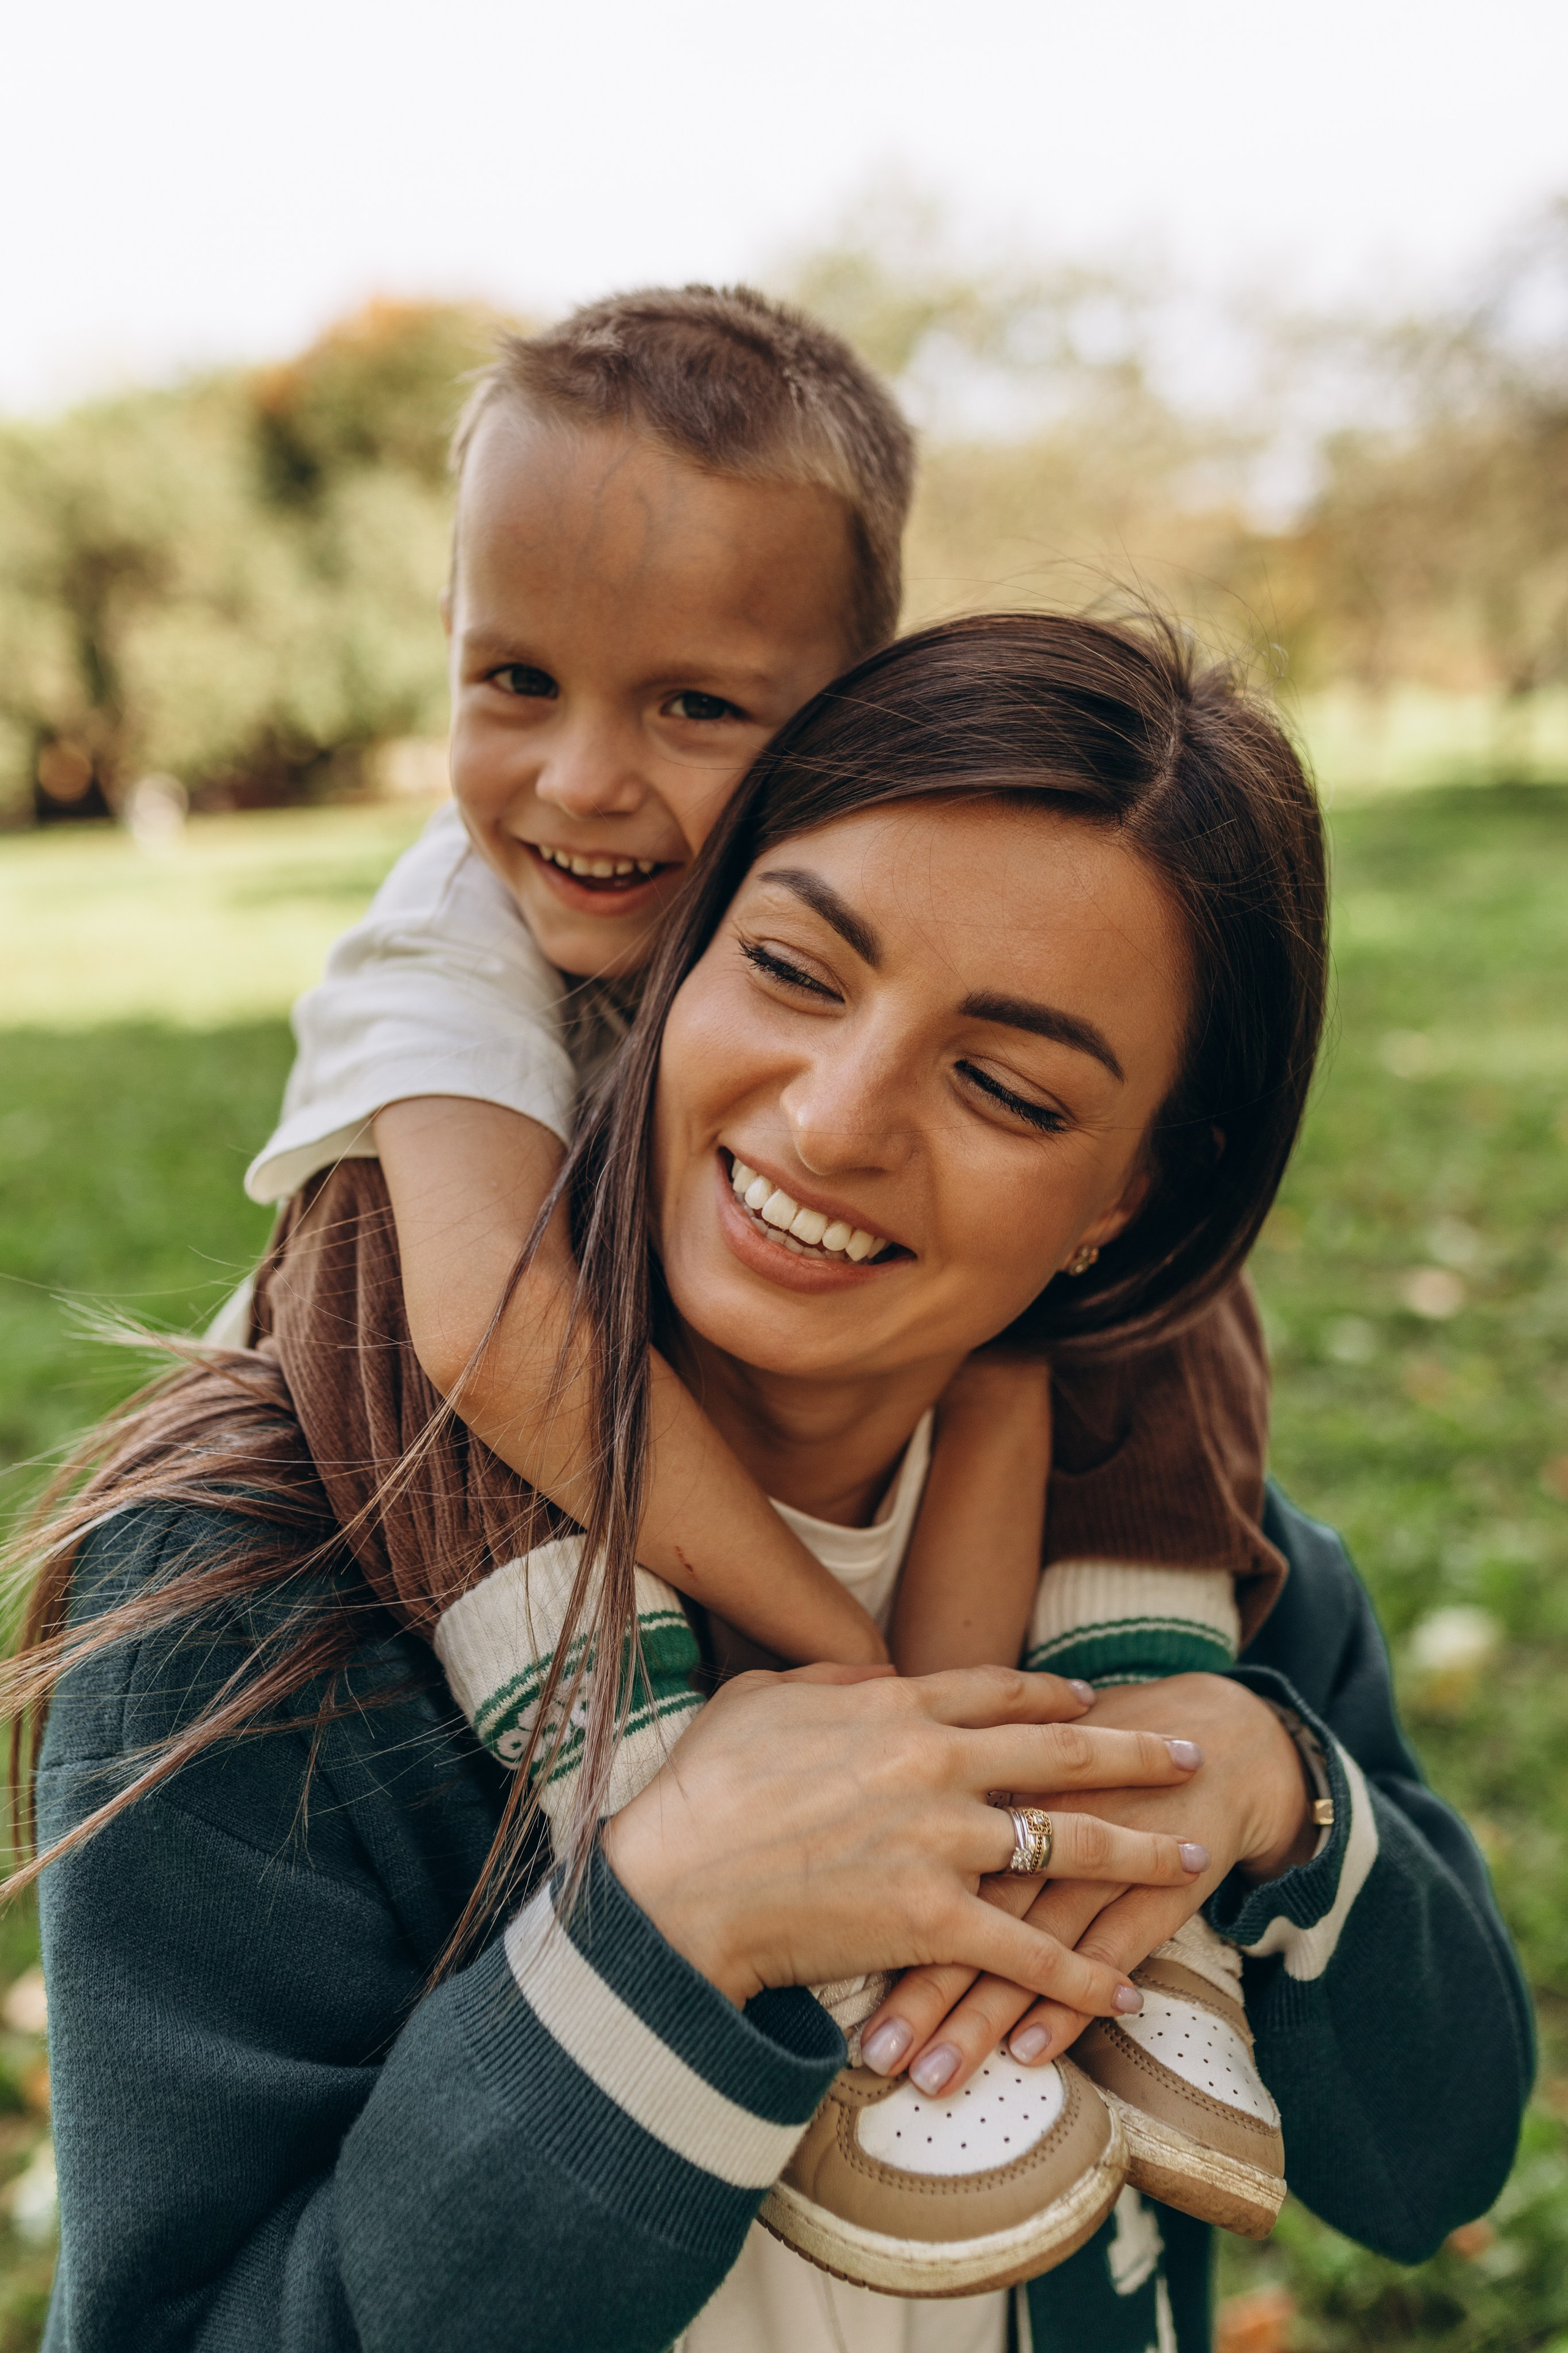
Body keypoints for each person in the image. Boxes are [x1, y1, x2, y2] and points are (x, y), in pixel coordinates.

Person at [13, 617, 1531, 2352]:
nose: (834, 1120)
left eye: (1005, 1087)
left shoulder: (1204, 1578)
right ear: (676, 956)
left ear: (1129, 1198)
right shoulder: (251, 1610)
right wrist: (667, 1927)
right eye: (794, 971)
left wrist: (1282, 1796)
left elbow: (1437, 2165)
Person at [225, 283, 1287, 1773]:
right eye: (517, 679)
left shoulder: (858, 892)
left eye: (695, 707)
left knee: (1116, 1266)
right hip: (424, 1458)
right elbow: (487, 1330)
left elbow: (1003, 1371)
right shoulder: (447, 933)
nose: (582, 782)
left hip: (819, 1417)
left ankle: (1112, 1666)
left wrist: (933, 1733)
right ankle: (625, 1764)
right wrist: (840, 1654)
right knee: (377, 1238)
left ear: (856, 714)